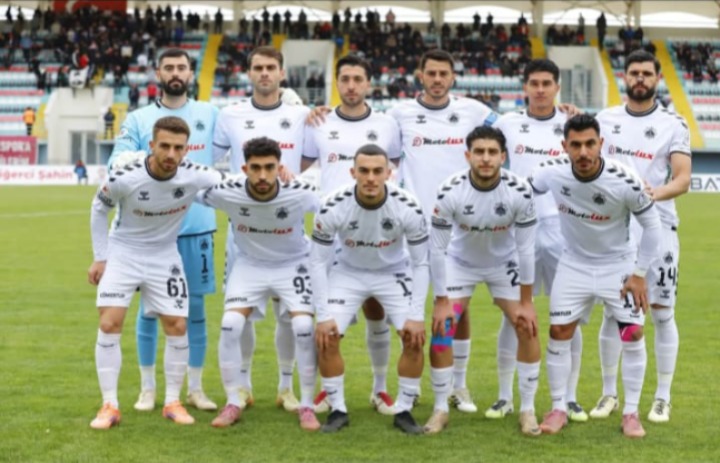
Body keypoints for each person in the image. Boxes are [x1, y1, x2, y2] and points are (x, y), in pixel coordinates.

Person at [87, 116, 224, 429]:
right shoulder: (126, 176)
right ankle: (109, 405)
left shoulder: (197, 174)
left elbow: (233, 185)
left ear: (186, 149)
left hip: (164, 255)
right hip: (123, 252)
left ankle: (173, 401)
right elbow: (99, 208)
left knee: (177, 325)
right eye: (164, 146)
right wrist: (100, 258)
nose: (171, 154)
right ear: (151, 145)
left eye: (178, 148)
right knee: (109, 322)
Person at [531, 114, 661, 438]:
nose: (584, 152)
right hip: (573, 263)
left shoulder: (624, 179)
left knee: (632, 334)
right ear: (564, 146)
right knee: (559, 331)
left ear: (601, 143)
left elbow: (653, 227)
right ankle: (558, 407)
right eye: (576, 145)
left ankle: (631, 412)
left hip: (618, 266)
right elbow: (526, 189)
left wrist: (639, 274)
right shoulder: (551, 172)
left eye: (590, 143)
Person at [387, 49, 500, 413]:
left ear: (453, 77)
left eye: (443, 74)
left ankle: (458, 385)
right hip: (414, 228)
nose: (437, 80)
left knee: (455, 310)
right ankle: (409, 386)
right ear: (420, 76)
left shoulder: (474, 111)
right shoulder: (399, 114)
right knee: (410, 308)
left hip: (460, 230)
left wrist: (562, 113)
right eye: (431, 73)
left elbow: (515, 128)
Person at [109, 48, 220, 414]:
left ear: (191, 74)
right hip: (150, 233)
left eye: (181, 67)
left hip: (197, 228)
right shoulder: (139, 119)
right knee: (148, 311)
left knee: (195, 310)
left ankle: (196, 388)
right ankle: (148, 389)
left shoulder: (211, 114)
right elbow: (116, 161)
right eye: (168, 67)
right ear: (158, 73)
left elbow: (244, 143)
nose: (175, 72)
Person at [592, 50, 691, 424]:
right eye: (634, 73)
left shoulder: (673, 123)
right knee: (614, 313)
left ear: (657, 78)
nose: (639, 79)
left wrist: (652, 194)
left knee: (663, 314)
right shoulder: (605, 120)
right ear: (624, 76)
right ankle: (608, 393)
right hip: (615, 230)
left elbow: (682, 178)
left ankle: (663, 397)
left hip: (659, 228)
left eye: (646, 74)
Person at [197, 137, 321, 431]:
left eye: (269, 167)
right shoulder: (227, 190)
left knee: (304, 327)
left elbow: (335, 207)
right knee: (230, 325)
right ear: (244, 169)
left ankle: (306, 404)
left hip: (293, 264)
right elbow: (187, 189)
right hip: (250, 265)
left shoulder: (300, 191)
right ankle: (233, 400)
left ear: (280, 167)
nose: (263, 175)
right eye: (255, 168)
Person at [425, 126, 541, 436]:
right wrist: (441, 302)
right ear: (468, 156)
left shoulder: (519, 190)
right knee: (442, 329)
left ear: (503, 156)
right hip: (460, 263)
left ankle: (527, 409)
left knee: (526, 325)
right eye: (479, 152)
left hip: (504, 263)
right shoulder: (450, 190)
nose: (485, 158)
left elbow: (526, 248)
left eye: (492, 152)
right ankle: (440, 408)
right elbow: (437, 249)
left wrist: (527, 302)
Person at [303, 54, 402, 415]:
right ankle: (328, 391)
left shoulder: (387, 124)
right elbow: (300, 168)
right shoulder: (318, 122)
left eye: (358, 79)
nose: (351, 86)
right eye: (344, 79)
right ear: (336, 82)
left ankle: (380, 389)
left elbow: (395, 171)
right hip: (330, 233)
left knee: (376, 309)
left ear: (369, 84)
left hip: (376, 231)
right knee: (326, 316)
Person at [213, 46, 310, 413]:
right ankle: (243, 386)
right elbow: (212, 160)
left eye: (271, 67)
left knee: (290, 315)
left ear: (282, 73)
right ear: (249, 73)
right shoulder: (230, 115)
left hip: (289, 230)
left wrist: (292, 179)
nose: (265, 73)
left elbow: (313, 160)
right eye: (258, 68)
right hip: (244, 231)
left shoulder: (301, 115)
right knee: (241, 315)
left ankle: (286, 387)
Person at [490, 59, 587, 422]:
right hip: (519, 230)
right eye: (534, 83)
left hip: (564, 229)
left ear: (558, 87)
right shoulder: (506, 123)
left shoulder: (574, 123)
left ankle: (570, 397)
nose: (541, 89)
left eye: (547, 83)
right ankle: (504, 396)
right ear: (525, 87)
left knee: (569, 316)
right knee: (514, 315)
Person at [310, 144, 429, 434]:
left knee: (413, 338)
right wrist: (322, 316)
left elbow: (421, 263)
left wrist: (416, 315)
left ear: (389, 173)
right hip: (348, 272)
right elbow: (317, 263)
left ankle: (404, 410)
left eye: (378, 171)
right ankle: (337, 409)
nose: (371, 178)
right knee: (327, 336)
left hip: (393, 271)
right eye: (364, 171)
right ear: (353, 172)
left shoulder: (408, 206)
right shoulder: (332, 205)